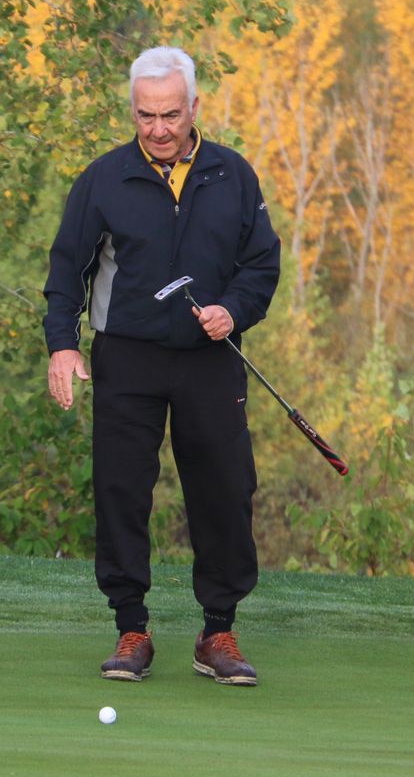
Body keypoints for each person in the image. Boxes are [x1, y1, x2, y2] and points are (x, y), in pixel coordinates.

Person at [43, 46, 281, 686]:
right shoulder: (105, 178)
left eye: (170, 114)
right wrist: (62, 345)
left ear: (194, 107)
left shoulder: (233, 175)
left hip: (210, 359)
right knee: (121, 489)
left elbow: (261, 265)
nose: (158, 128)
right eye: (146, 115)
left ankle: (218, 631)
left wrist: (233, 311)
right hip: (128, 355)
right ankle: (132, 627)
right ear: (133, 111)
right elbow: (68, 268)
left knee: (225, 492)